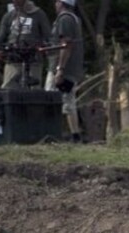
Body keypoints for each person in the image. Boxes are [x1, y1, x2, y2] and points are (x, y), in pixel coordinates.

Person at [45, 0, 83, 142]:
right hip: (71, 68)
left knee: (51, 99)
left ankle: (51, 135)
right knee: (69, 101)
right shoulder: (74, 18)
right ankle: (75, 135)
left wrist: (60, 69)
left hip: (63, 68)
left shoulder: (65, 19)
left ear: (61, 3)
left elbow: (66, 45)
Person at [0, 1, 51, 90]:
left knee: (33, 90)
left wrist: (42, 47)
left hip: (33, 60)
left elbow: (47, 36)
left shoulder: (38, 14)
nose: (14, 2)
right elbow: (1, 36)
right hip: (13, 60)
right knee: (9, 88)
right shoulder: (9, 16)